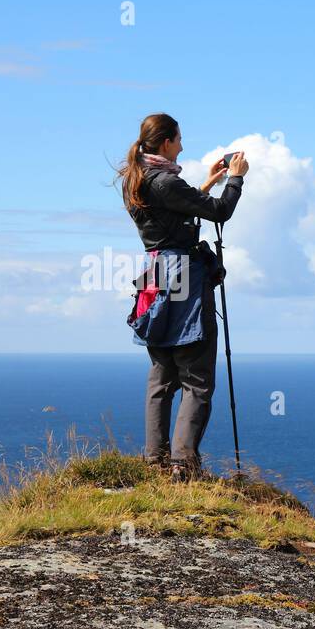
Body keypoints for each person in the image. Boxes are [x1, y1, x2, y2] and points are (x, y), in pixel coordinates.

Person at [115, 113, 249, 480]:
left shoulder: (136, 180)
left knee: (162, 374)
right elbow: (221, 212)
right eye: (178, 139)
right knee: (197, 376)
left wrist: (206, 184)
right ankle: (183, 464)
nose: (183, 146)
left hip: (154, 277)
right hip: (184, 280)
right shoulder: (165, 182)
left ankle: (155, 460)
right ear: (165, 142)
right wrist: (236, 178)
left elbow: (174, 216)